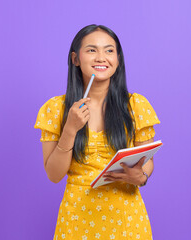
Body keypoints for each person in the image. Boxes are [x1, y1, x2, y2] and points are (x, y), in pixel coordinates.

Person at [34, 24, 160, 239]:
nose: (102, 57)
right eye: (92, 50)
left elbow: (145, 160)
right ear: (75, 59)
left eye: (109, 50)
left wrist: (142, 175)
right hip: (77, 221)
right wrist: (70, 129)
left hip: (127, 221)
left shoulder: (136, 105)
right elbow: (54, 175)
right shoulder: (55, 109)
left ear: (118, 59)